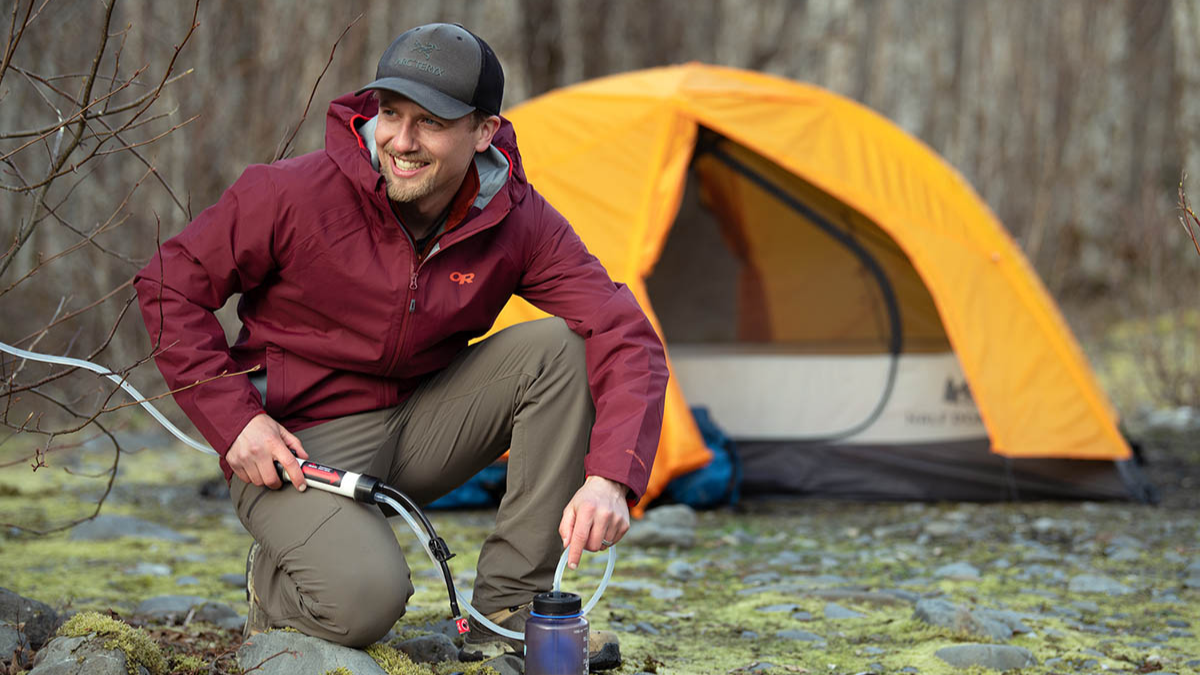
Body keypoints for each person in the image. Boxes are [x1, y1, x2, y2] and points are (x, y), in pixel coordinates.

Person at [133, 22, 666, 669]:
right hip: (296, 446)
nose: (401, 141)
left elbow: (623, 330)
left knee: (565, 346)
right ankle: (278, 583)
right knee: (363, 605)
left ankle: (507, 609)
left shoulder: (515, 217)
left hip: (423, 422)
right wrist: (236, 420)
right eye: (390, 114)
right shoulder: (292, 195)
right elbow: (168, 284)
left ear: (482, 131)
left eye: (430, 122)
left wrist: (611, 476)